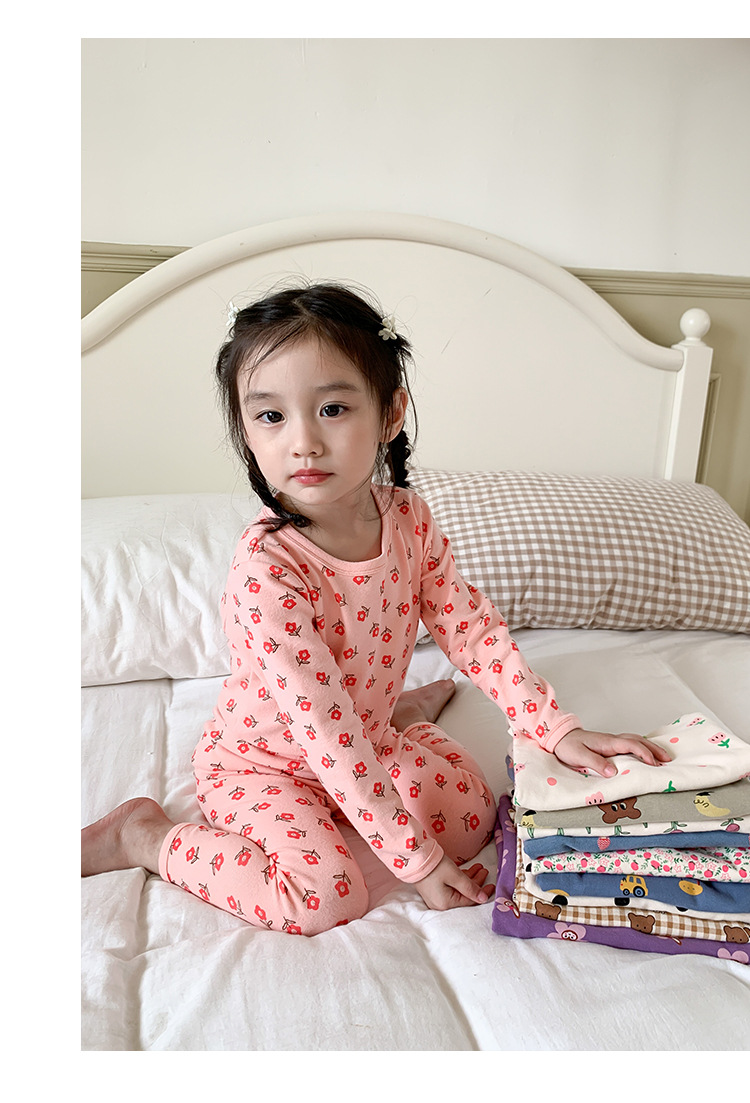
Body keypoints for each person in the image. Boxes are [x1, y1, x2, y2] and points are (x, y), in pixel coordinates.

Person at [82, 282, 670, 935]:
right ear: (246, 431)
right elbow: (324, 731)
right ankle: (143, 836)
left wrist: (552, 727)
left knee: (474, 818)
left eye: (332, 408)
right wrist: (415, 860)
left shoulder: (408, 519)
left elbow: (470, 629)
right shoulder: (268, 571)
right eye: (271, 416)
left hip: (361, 732)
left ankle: (401, 714)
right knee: (324, 899)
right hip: (266, 762)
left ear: (391, 414)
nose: (303, 442)